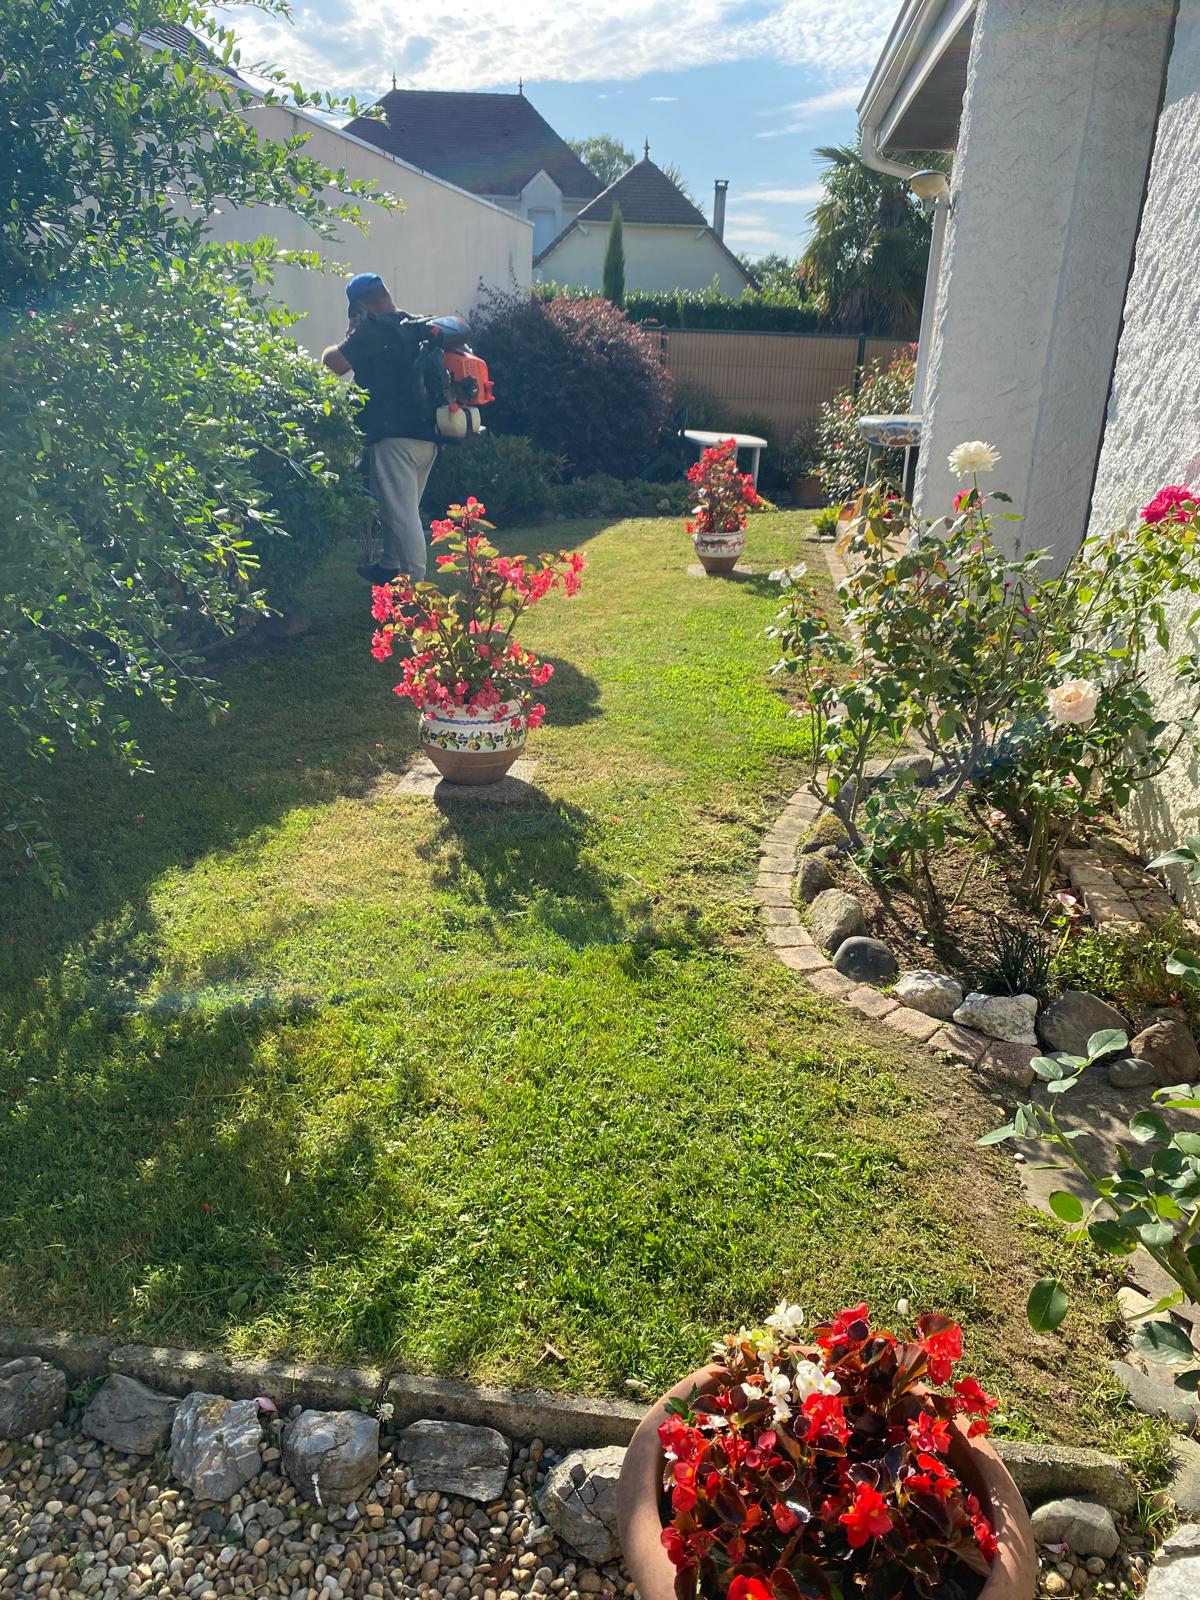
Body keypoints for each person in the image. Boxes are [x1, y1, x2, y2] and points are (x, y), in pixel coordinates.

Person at [321, 273, 437, 585]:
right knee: (397, 508)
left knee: (403, 515)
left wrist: (348, 335)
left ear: (359, 307)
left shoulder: (371, 330)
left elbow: (334, 363)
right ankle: (389, 567)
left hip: (393, 438)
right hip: (427, 437)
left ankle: (416, 585)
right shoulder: (413, 326)